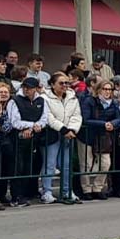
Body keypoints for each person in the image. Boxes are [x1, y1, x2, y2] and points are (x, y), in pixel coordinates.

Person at [42, 72, 83, 205]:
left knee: (66, 165)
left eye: (67, 83)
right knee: (49, 164)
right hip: (52, 134)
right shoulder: (45, 98)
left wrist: (72, 129)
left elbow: (76, 115)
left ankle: (67, 190)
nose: (64, 85)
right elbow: (48, 117)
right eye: (61, 83)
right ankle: (47, 192)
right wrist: (63, 129)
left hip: (68, 134)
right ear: (52, 84)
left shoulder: (72, 97)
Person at [6, 77, 47, 206]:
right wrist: (31, 125)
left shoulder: (42, 100)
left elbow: (44, 118)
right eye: (24, 87)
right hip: (17, 139)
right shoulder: (14, 101)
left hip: (34, 138)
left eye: (29, 88)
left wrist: (35, 127)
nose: (26, 90)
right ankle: (16, 196)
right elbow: (14, 121)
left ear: (35, 89)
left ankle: (26, 193)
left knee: (29, 167)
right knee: (18, 167)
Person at [77, 79, 120, 200]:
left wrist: (112, 124)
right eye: (105, 89)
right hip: (87, 136)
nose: (107, 92)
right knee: (86, 164)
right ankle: (86, 189)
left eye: (110, 89)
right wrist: (103, 124)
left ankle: (98, 187)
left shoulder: (113, 103)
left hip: (103, 137)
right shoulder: (89, 101)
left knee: (106, 163)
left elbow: (118, 118)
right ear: (99, 89)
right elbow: (86, 119)